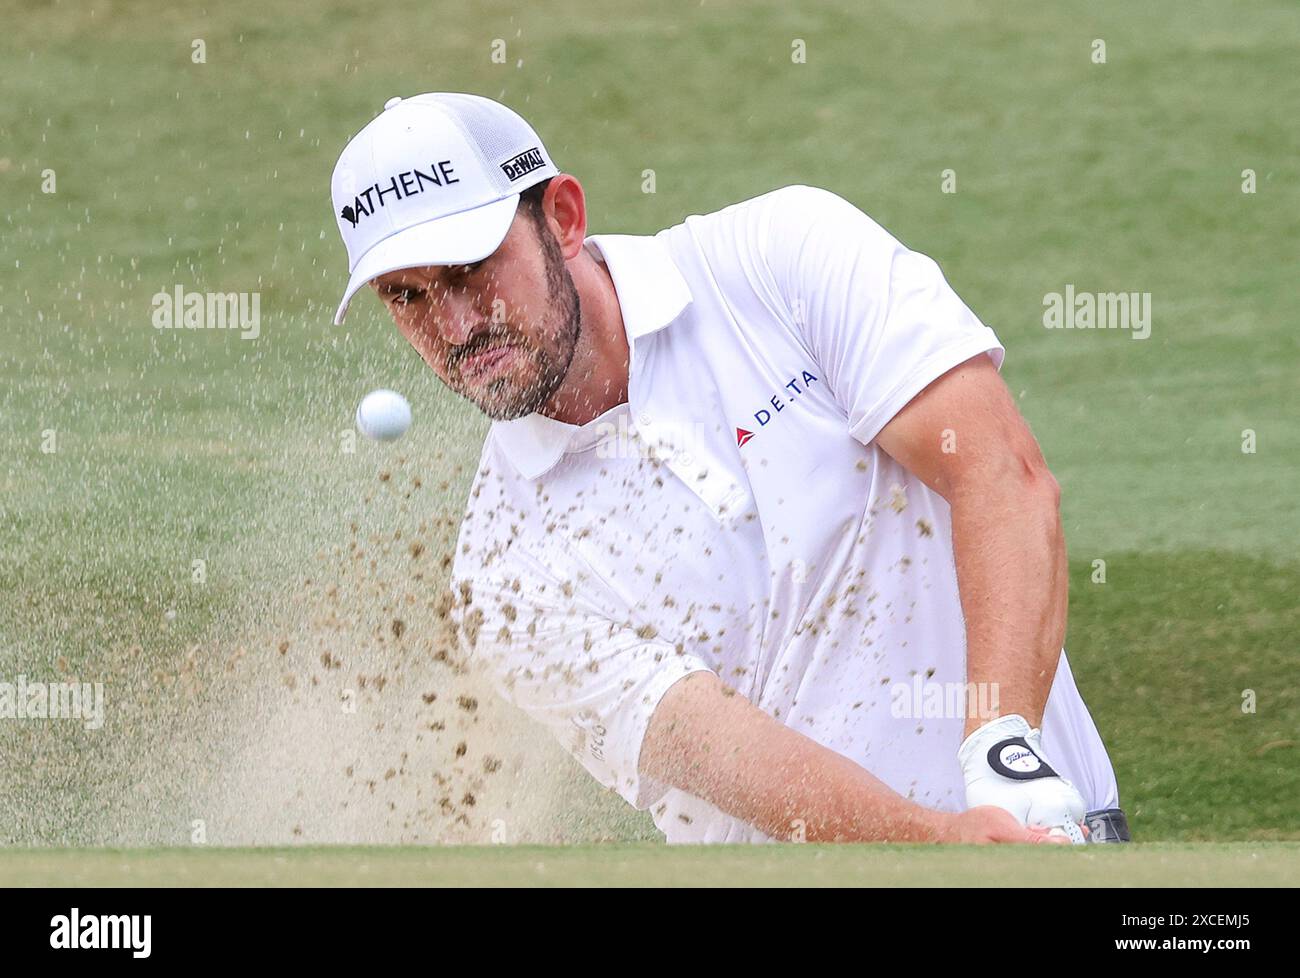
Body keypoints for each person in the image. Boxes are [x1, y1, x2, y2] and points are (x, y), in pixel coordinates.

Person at [330, 92, 1128, 845]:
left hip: (1051, 833)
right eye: (408, 297)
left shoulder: (782, 257)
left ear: (563, 219)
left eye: (472, 270)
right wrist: (942, 844)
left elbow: (998, 472)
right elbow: (726, 756)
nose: (458, 324)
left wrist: (1002, 750)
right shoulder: (502, 580)